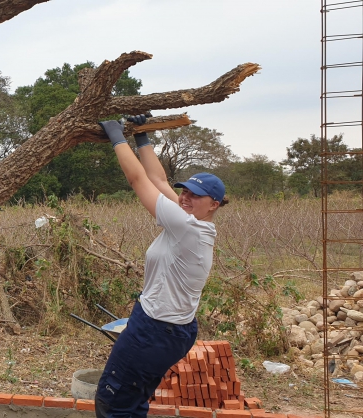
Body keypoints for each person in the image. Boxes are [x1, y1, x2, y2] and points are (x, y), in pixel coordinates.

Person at [94, 115, 228, 418]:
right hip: (169, 328)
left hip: (155, 329)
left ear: (214, 205)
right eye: (185, 191)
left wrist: (117, 137)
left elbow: (138, 181)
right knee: (135, 397)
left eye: (196, 195)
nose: (185, 197)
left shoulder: (187, 227)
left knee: (114, 402)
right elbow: (158, 181)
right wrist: (143, 138)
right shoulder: (192, 220)